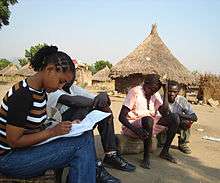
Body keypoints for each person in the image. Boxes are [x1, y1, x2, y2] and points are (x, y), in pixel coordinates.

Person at [0, 46, 96, 183]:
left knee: (84, 135)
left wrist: (66, 127)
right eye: (61, 81)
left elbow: (34, 127)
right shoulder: (23, 95)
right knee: (81, 145)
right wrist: (53, 133)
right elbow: (14, 141)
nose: (61, 87)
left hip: (24, 151)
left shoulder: (40, 92)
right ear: (49, 69)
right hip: (9, 159)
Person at [47, 68, 136, 183]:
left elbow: (98, 100)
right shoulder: (53, 90)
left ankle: (111, 154)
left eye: (72, 73)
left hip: (74, 125)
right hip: (58, 129)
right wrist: (100, 99)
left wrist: (103, 96)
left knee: (104, 110)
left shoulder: (73, 88)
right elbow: (73, 101)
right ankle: (94, 166)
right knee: (83, 108)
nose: (70, 77)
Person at [119, 74, 181, 169]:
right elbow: (121, 117)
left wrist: (165, 90)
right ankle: (146, 157)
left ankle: (165, 152)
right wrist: (136, 130)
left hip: (149, 127)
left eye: (155, 91)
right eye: (151, 89)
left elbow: (165, 112)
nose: (152, 93)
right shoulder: (134, 92)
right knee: (148, 119)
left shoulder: (155, 94)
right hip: (132, 127)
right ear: (145, 84)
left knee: (174, 118)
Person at [166, 80, 198, 154]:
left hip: (177, 124)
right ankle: (162, 141)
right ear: (166, 90)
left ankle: (183, 143)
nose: (172, 94)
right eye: (169, 91)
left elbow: (194, 117)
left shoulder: (181, 100)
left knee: (187, 122)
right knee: (160, 144)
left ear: (178, 92)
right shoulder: (161, 99)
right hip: (164, 125)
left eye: (175, 92)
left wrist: (179, 115)